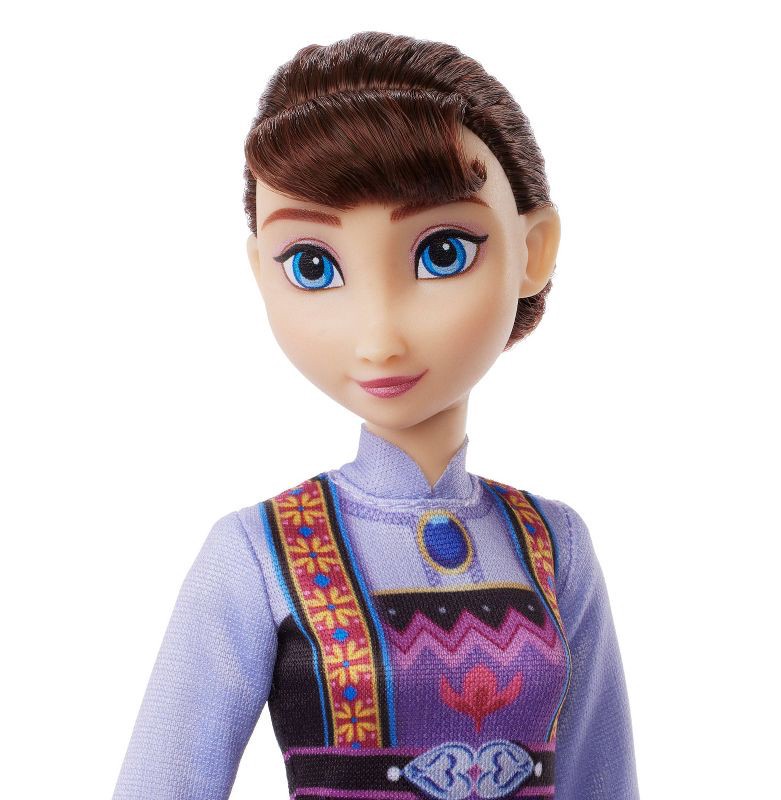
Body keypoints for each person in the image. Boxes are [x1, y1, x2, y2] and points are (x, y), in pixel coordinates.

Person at [113, 30, 639, 800]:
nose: (380, 335)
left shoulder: (553, 546)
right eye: (313, 266)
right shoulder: (259, 554)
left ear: (534, 249)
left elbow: (603, 780)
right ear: (262, 271)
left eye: (443, 252)